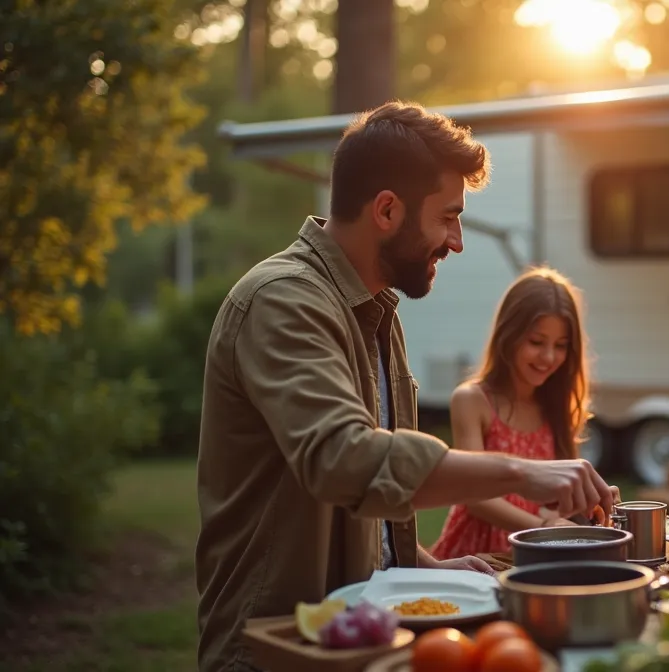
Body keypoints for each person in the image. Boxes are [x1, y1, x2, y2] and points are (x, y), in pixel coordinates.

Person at [195, 102, 614, 672]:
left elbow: (367, 496)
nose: (457, 240)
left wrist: (423, 567)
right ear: (387, 210)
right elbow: (345, 460)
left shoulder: (377, 312)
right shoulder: (283, 301)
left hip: (360, 634)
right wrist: (521, 472)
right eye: (448, 217)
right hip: (277, 647)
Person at [430, 267, 617, 559]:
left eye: (561, 346)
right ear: (509, 335)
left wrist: (588, 502)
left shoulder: (556, 406)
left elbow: (555, 502)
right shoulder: (472, 400)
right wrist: (544, 528)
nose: (548, 357)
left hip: (532, 556)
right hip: (475, 556)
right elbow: (474, 496)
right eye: (536, 342)